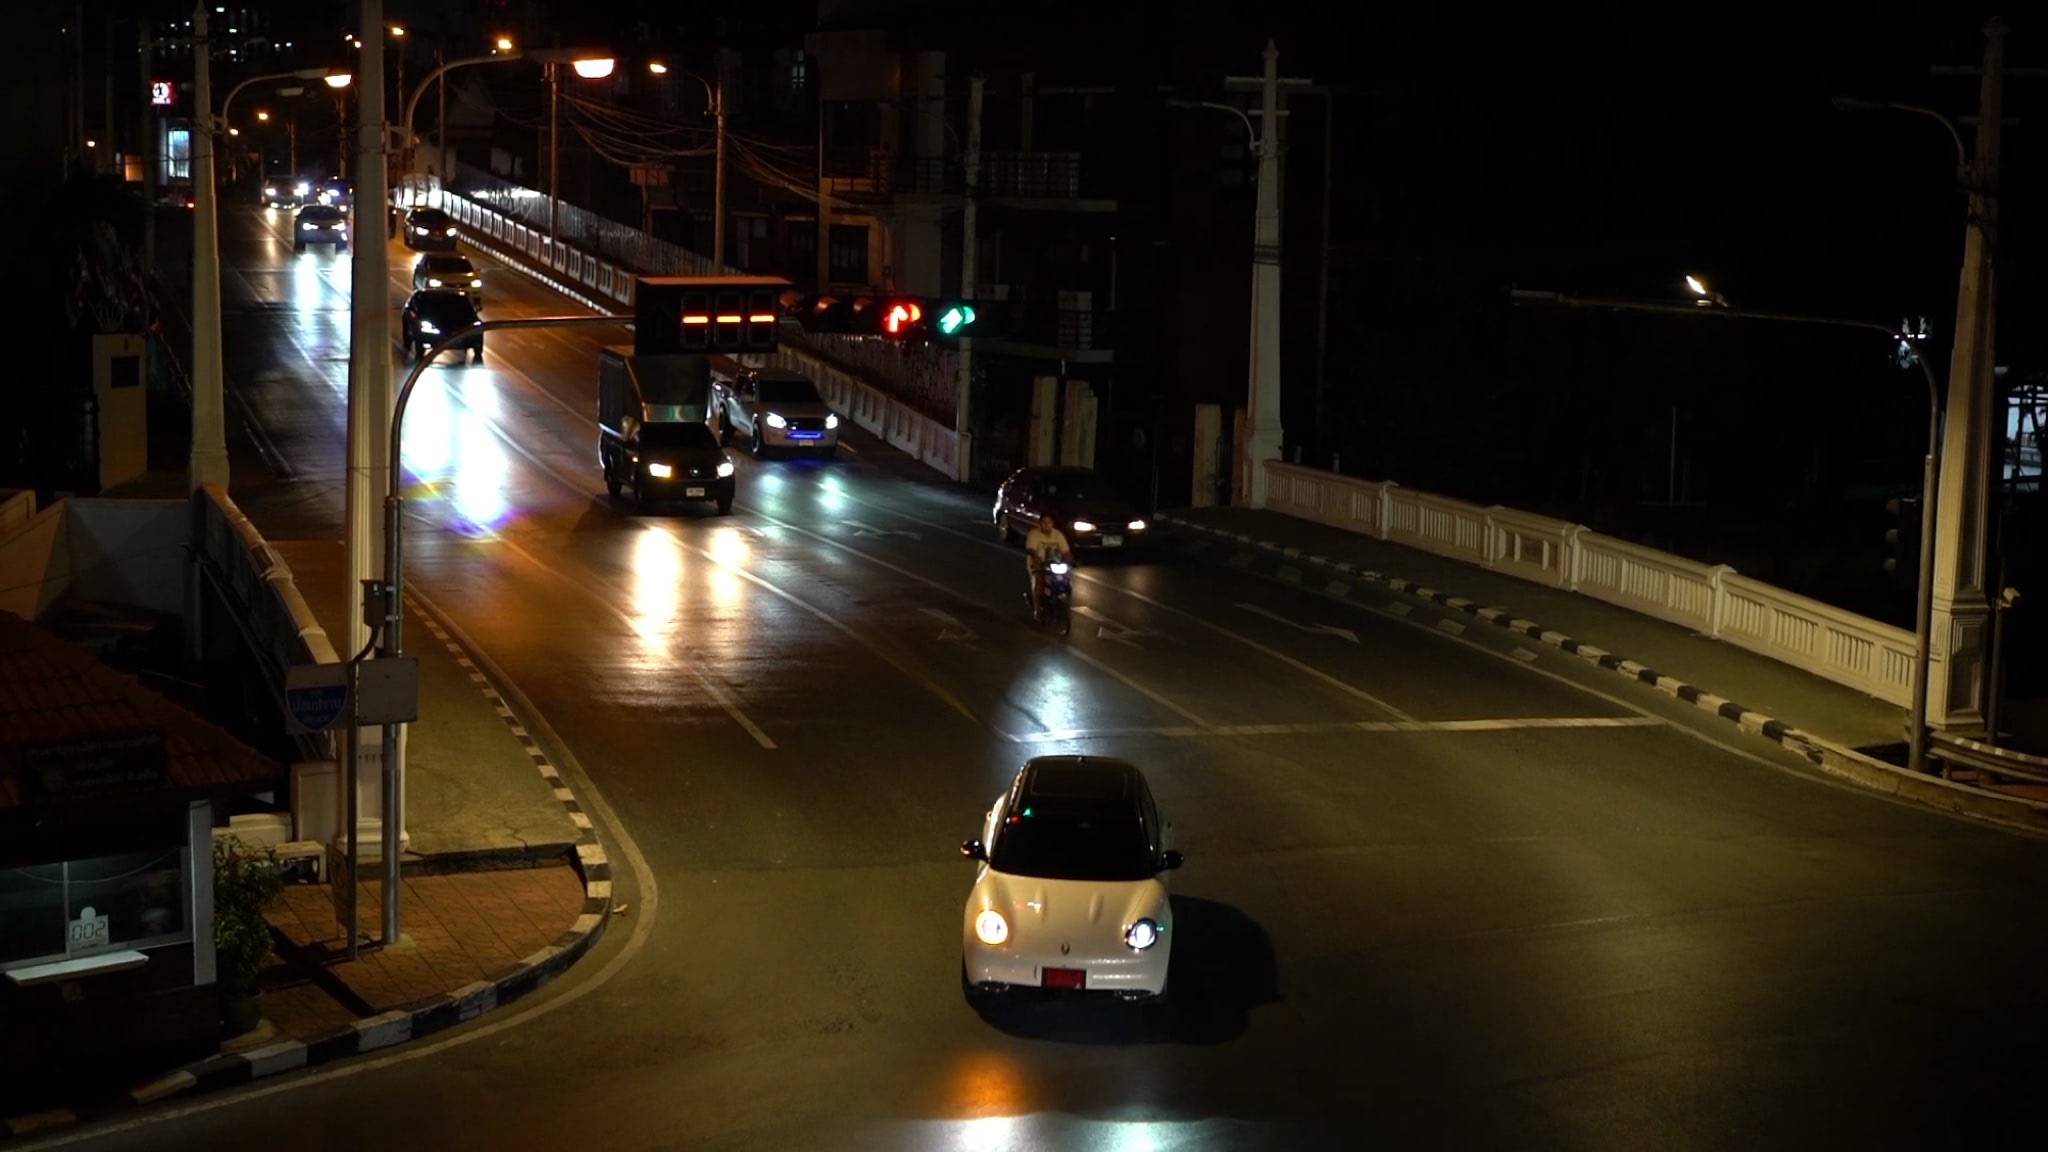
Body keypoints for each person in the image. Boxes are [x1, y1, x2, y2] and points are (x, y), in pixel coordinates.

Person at [1023, 513, 1073, 617]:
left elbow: (1066, 551)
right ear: (1040, 524)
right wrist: (1036, 558)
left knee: (1066, 580)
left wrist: (1070, 560)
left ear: (1052, 524)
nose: (1046, 525)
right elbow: (1030, 549)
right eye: (1044, 522)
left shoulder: (1058, 535)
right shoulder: (1034, 534)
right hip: (1038, 565)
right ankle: (1037, 609)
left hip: (1054, 565)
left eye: (1049, 522)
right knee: (1038, 583)